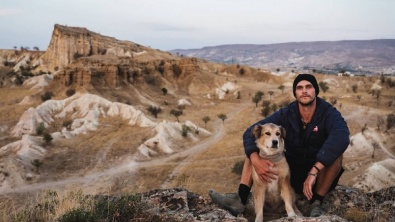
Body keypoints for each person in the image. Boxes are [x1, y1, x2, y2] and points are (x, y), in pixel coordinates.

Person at [209, 74, 350, 217]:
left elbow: (342, 137)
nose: (304, 91)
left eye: (309, 87)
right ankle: (241, 198)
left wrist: (314, 170)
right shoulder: (287, 114)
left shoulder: (329, 113)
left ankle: (317, 203)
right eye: (299, 88)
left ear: (316, 90)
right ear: (295, 93)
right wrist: (255, 160)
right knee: (253, 148)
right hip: (291, 174)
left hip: (318, 176)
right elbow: (249, 133)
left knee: (336, 155)